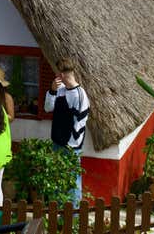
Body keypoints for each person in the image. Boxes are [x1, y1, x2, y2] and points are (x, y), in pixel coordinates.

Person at [43, 57, 90, 206]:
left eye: (57, 73)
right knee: (56, 179)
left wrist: (71, 145)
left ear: (62, 74)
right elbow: (48, 108)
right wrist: (52, 91)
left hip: (71, 147)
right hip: (57, 143)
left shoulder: (80, 94)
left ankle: (74, 215)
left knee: (73, 182)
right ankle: (57, 211)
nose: (56, 75)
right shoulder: (60, 90)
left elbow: (81, 122)